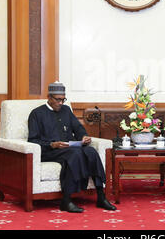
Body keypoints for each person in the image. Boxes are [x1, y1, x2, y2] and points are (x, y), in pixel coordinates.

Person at [28, 81, 117, 213]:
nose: (61, 103)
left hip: (70, 147)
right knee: (75, 155)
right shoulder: (36, 114)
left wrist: (83, 137)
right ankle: (66, 200)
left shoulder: (66, 110)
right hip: (49, 151)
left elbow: (78, 128)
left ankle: (101, 196)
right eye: (58, 100)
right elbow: (33, 140)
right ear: (49, 97)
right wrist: (52, 144)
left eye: (63, 100)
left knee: (91, 151)